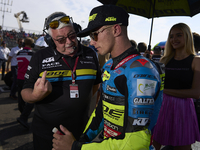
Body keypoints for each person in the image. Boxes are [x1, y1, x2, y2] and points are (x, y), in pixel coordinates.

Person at [52, 5, 162, 150]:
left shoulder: (140, 71)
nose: (91, 42)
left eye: (94, 34)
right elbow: (101, 113)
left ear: (116, 30)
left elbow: (135, 143)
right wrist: (82, 140)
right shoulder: (109, 65)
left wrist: (76, 147)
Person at [21, 12, 101, 150]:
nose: (69, 42)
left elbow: (95, 86)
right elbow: (24, 91)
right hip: (46, 134)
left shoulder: (90, 54)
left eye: (72, 35)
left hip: (81, 132)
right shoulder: (39, 57)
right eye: (61, 39)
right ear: (51, 41)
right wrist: (35, 95)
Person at [153, 23, 200, 150]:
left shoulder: (196, 61)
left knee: (183, 146)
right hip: (161, 106)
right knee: (153, 143)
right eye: (171, 36)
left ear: (187, 37)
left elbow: (196, 93)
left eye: (179, 35)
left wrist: (165, 90)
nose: (174, 39)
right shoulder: (164, 60)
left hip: (183, 108)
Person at [16, 37, 35, 129]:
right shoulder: (33, 54)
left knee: (21, 98)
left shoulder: (18, 53)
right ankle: (23, 117)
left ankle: (23, 115)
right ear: (32, 45)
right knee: (32, 99)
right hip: (29, 79)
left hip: (19, 78)